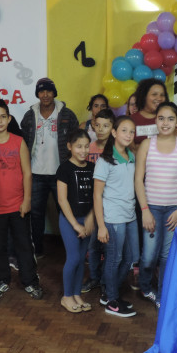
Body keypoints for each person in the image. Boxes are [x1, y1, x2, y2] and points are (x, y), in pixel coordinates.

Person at [0, 99, 43, 302]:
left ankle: (30, 281)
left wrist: (27, 200)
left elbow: (27, 173)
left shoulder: (18, 141)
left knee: (24, 245)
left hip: (18, 205)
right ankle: (1, 280)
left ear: (9, 119)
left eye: (3, 116)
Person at [135, 102, 177, 308]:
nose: (165, 123)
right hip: (151, 208)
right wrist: (145, 210)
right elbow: (138, 179)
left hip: (175, 209)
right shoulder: (146, 145)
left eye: (170, 119)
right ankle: (145, 287)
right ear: (155, 121)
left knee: (167, 256)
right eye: (161, 118)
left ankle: (162, 294)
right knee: (149, 256)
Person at [20, 77, 79, 257]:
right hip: (36, 173)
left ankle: (71, 249)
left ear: (54, 93)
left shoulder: (67, 114)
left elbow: (76, 141)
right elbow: (24, 142)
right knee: (36, 214)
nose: (45, 94)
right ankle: (37, 250)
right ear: (37, 94)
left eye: (49, 91)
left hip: (60, 173)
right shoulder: (30, 116)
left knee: (66, 211)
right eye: (41, 91)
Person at [93, 116, 139, 317]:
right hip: (113, 218)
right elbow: (97, 195)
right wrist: (101, 226)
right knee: (114, 258)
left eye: (132, 131)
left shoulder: (131, 156)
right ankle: (112, 300)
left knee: (129, 258)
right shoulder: (105, 160)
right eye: (124, 130)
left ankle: (108, 292)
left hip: (130, 215)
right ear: (114, 133)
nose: (128, 135)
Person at [57, 129, 95, 313]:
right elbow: (62, 200)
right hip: (69, 221)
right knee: (73, 258)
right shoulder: (64, 169)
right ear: (69, 146)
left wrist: (90, 219)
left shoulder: (92, 167)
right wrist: (75, 225)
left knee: (81, 259)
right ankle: (66, 296)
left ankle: (76, 293)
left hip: (87, 221)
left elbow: (97, 196)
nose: (83, 150)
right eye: (79, 146)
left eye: (86, 146)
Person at [82, 108, 115, 293]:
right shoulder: (89, 147)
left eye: (106, 126)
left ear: (113, 128)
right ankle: (94, 277)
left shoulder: (116, 149)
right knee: (93, 245)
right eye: (98, 125)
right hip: (92, 202)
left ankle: (106, 280)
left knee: (109, 246)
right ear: (93, 126)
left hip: (111, 204)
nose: (101, 129)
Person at [130, 79, 169, 148]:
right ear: (144, 96)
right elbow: (129, 149)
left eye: (162, 95)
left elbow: (176, 144)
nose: (159, 98)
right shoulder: (131, 120)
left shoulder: (169, 119)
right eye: (154, 94)